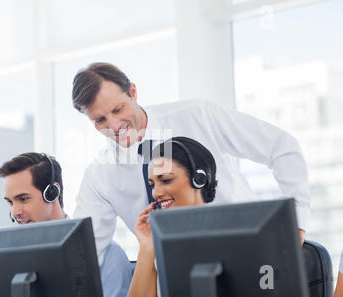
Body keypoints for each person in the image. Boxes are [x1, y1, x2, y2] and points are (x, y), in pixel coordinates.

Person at [71, 62, 310, 268]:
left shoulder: (197, 116)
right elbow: (82, 253)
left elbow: (282, 147)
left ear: (133, 92)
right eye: (100, 120)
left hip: (252, 257)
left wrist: (296, 223)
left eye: (118, 109)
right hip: (178, 280)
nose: (114, 126)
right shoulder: (100, 174)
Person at [0, 152, 132, 297]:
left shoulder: (108, 254)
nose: (15, 212)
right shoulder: (15, 258)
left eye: (23, 199)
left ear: (52, 192)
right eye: (11, 202)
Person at [126, 136, 217, 297]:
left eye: (166, 180)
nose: (155, 193)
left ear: (199, 179)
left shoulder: (227, 235)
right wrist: (146, 248)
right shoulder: (157, 248)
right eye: (152, 184)